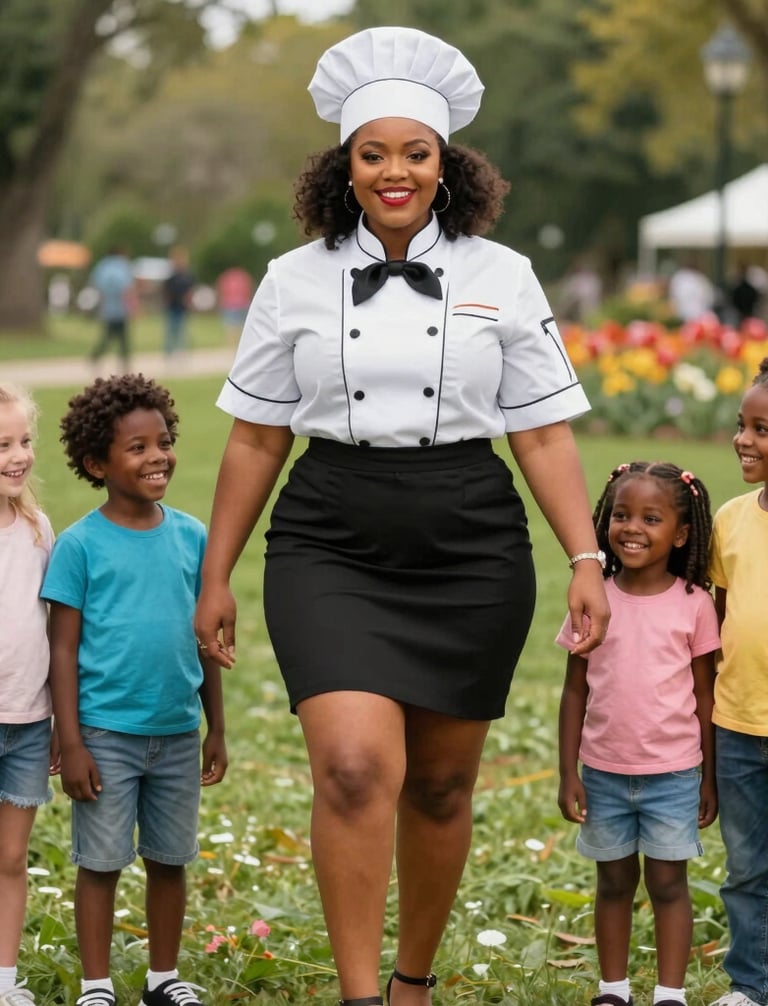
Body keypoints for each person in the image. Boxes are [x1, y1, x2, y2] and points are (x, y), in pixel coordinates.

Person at [194, 26, 610, 1006]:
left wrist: (586, 557)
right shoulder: (293, 281)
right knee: (349, 767)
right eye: (372, 153)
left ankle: (412, 981)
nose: (394, 171)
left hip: (469, 534)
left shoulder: (502, 275)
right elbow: (256, 438)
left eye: (413, 153)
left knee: (439, 785)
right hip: (329, 531)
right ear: (344, 167)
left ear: (445, 165)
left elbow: (542, 434)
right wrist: (216, 574)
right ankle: (356, 996)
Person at [40, 374, 227, 1006]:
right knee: (100, 863)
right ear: (97, 463)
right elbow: (61, 650)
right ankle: (96, 986)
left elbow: (207, 641)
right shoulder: (79, 546)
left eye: (164, 441)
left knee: (170, 860)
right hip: (104, 735)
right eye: (137, 448)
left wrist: (216, 728)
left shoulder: (193, 537)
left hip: (176, 732)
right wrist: (70, 741)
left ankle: (162, 978)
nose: (158, 457)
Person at [557, 461, 719, 1006]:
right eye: (622, 514)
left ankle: (670, 994)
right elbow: (574, 690)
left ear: (681, 533)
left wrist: (708, 779)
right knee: (614, 884)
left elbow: (704, 697)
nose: (632, 528)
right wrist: (567, 773)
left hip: (674, 776)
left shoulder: (695, 604)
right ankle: (613, 990)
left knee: (669, 886)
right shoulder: (593, 598)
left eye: (652, 518)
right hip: (603, 773)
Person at [708, 357, 768, 1006]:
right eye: (742, 424)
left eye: (763, 429)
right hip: (739, 728)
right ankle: (750, 987)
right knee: (748, 869)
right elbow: (717, 629)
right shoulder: (729, 519)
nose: (744, 439)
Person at [0, 383, 56, 1006]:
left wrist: (58, 725)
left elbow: (52, 630)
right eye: (2, 445)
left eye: (23, 441)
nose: (18, 456)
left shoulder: (39, 530)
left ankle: (4, 982)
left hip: (27, 724)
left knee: (11, 860)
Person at [88, 248, 135, 373]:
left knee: (107, 337)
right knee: (123, 338)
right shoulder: (122, 266)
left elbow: (95, 284)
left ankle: (95, 357)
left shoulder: (102, 266)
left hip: (107, 309)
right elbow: (127, 289)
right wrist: (132, 307)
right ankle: (125, 363)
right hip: (121, 309)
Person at [162, 247, 195, 360]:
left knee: (182, 330)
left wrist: (189, 301)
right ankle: (169, 352)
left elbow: (190, 291)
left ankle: (180, 352)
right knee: (171, 330)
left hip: (182, 307)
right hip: (173, 306)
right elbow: (166, 291)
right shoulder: (172, 277)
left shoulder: (187, 276)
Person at [215, 266, 254, 344]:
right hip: (242, 303)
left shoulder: (226, 278)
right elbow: (248, 290)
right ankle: (240, 342)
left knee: (231, 325)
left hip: (230, 304)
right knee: (242, 325)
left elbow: (222, 291)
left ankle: (232, 342)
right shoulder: (243, 277)